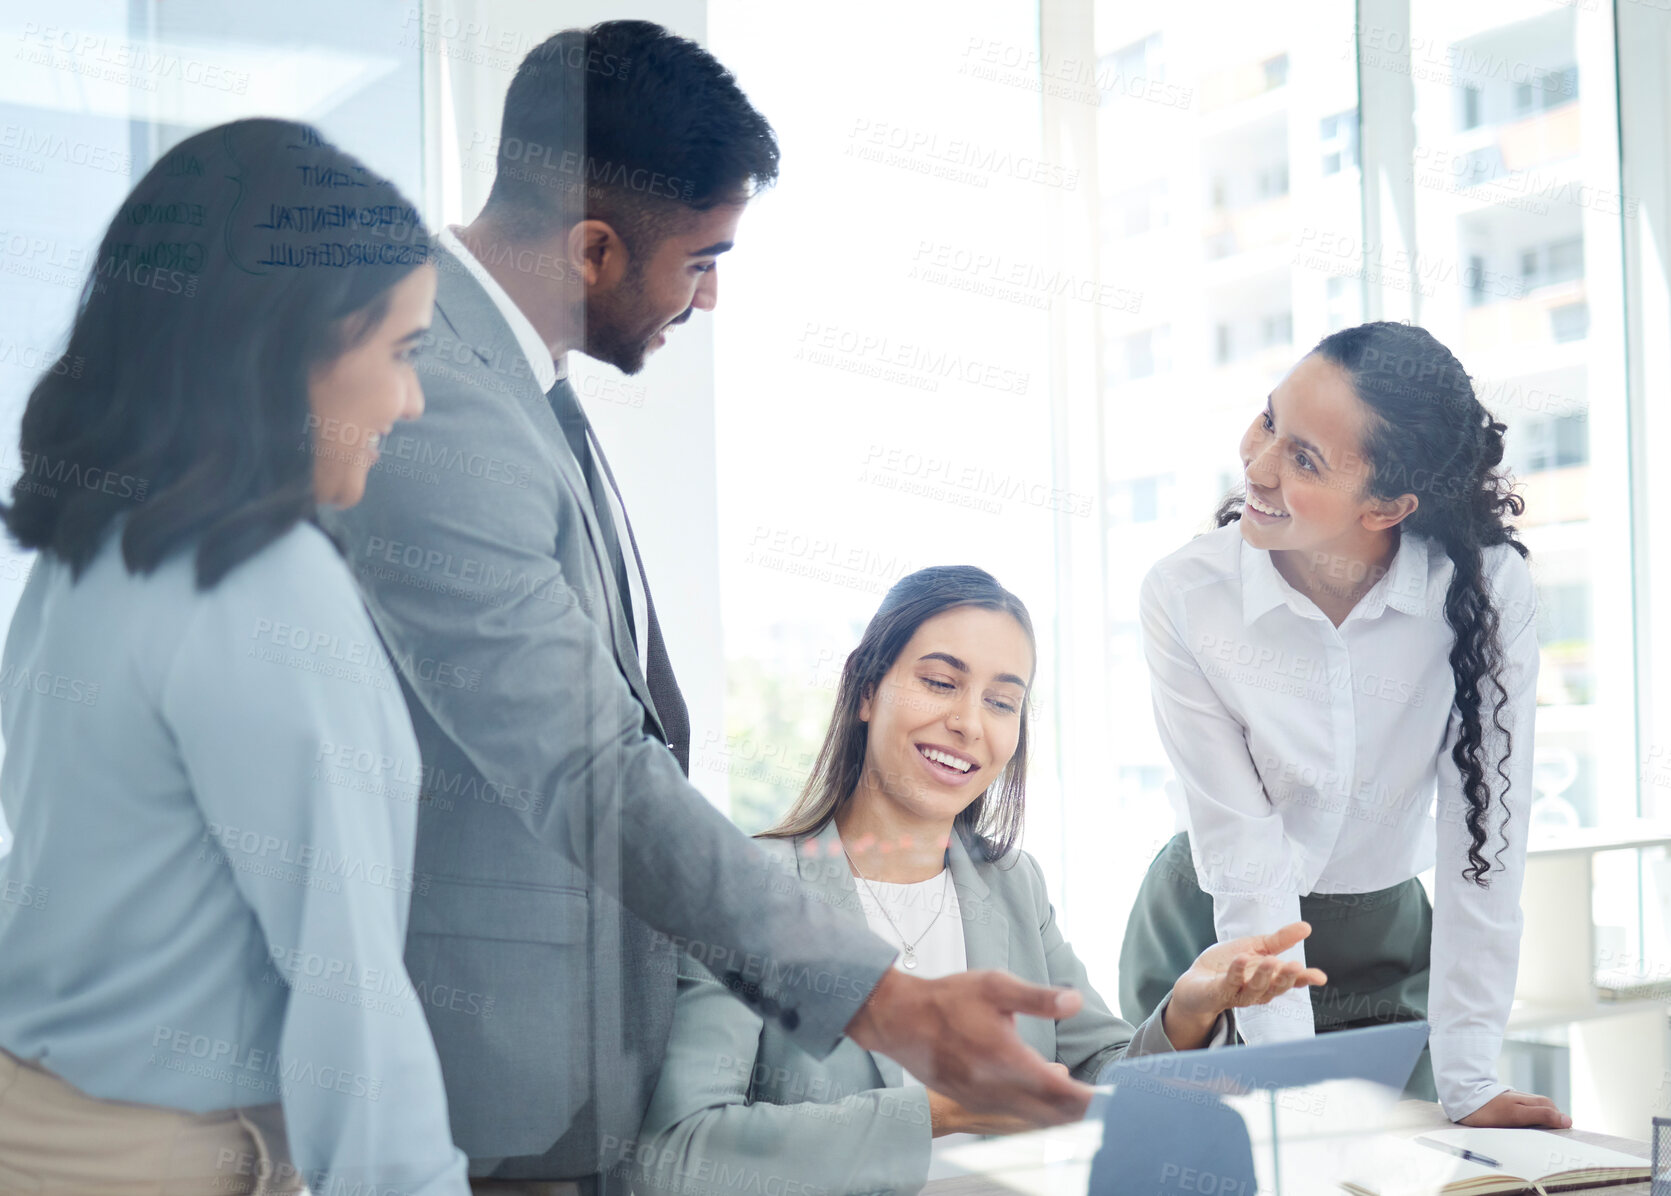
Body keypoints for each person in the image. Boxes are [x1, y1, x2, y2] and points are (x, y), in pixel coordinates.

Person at [323, 20, 1089, 1193]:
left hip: (559, 1082)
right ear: (592, 247)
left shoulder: (521, 392)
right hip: (486, 1080)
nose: (713, 295)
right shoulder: (440, 402)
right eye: (702, 257)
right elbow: (587, 764)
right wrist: (886, 1001)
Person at [0, 120, 470, 1194]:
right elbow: (349, 996)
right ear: (289, 341)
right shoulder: (261, 579)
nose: (412, 401)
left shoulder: (91, 546)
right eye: (400, 351)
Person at [629, 566, 1325, 1196]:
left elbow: (1095, 1079)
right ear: (867, 688)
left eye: (1001, 702)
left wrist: (1186, 1009)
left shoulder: (1013, 886)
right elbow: (675, 1158)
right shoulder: (745, 894)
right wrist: (940, 1113)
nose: (967, 723)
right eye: (939, 682)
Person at [1118, 321, 1569, 1129]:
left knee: (1406, 1167)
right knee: (1221, 1164)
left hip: (1385, 940)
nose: (1255, 465)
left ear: (1391, 505)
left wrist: (1468, 1076)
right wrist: (1284, 1087)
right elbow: (1246, 856)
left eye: (1303, 459)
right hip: (1213, 930)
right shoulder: (1186, 596)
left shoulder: (1486, 589)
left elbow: (1485, 841)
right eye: (1268, 421)